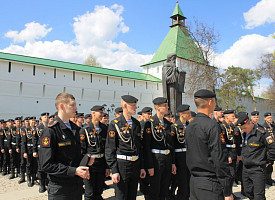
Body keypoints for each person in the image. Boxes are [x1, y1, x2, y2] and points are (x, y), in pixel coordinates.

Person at [39, 93, 92, 200]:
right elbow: (46, 164)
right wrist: (74, 171)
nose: (76, 108)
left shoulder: (75, 129)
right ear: (62, 106)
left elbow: (73, 156)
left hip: (76, 185)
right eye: (72, 105)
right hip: (60, 188)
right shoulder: (51, 130)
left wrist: (86, 159)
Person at [185, 89, 233, 200]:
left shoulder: (190, 126)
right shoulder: (212, 126)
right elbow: (219, 158)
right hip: (210, 184)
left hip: (194, 182)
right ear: (210, 102)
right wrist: (227, 189)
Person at [105, 95, 146, 200]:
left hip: (135, 164)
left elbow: (139, 147)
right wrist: (114, 170)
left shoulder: (136, 123)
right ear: (124, 105)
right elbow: (110, 149)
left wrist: (141, 166)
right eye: (133, 105)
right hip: (122, 164)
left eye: (136, 105)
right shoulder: (115, 124)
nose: (135, 108)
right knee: (121, 196)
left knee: (132, 195)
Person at [143, 97, 176, 200]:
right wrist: (149, 166)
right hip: (156, 159)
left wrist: (172, 162)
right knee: (154, 190)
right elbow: (146, 146)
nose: (167, 107)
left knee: (164, 189)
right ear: (157, 107)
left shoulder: (168, 124)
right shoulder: (150, 123)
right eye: (165, 105)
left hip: (167, 159)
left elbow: (171, 145)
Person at [237, 113, 275, 199]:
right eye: (242, 128)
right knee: (247, 191)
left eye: (245, 128)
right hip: (246, 168)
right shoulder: (245, 134)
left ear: (250, 123)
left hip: (258, 169)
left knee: (259, 195)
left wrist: (268, 161)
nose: (244, 130)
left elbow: (273, 148)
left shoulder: (261, 133)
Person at [80, 105, 110, 200]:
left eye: (102, 112)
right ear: (93, 113)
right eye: (100, 113)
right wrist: (85, 165)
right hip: (90, 163)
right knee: (89, 192)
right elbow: (82, 150)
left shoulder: (105, 129)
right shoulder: (85, 129)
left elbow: (107, 149)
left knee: (99, 190)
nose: (102, 114)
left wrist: (107, 167)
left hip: (101, 162)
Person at [170, 104, 191, 200]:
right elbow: (172, 146)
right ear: (181, 114)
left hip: (188, 156)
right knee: (181, 181)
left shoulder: (189, 126)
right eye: (187, 113)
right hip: (179, 157)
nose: (189, 114)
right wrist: (173, 162)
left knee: (189, 180)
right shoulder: (174, 127)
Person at [220, 110, 238, 188]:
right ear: (226, 116)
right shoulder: (222, 127)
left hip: (233, 152)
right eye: (232, 116)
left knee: (232, 173)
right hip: (227, 153)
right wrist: (227, 155)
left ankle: (230, 193)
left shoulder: (232, 127)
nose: (234, 117)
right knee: (229, 174)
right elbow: (222, 143)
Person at [21, 116, 38, 187]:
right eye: (32, 121)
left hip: (35, 149)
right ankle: (29, 179)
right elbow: (23, 142)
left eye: (34, 121)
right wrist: (24, 152)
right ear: (29, 122)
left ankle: (34, 179)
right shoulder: (26, 130)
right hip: (28, 149)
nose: (33, 122)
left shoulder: (36, 130)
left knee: (35, 164)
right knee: (28, 164)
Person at [35, 112, 49, 193]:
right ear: (41, 119)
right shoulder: (38, 128)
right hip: (40, 150)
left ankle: (47, 183)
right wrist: (34, 151)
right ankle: (41, 185)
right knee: (40, 168)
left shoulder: (50, 126)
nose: (46, 118)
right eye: (45, 117)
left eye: (47, 117)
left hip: (48, 150)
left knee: (47, 167)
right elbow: (35, 140)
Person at [262, 112, 275, 186]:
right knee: (268, 163)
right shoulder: (264, 126)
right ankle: (266, 179)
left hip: (273, 147)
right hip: (268, 147)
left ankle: (269, 178)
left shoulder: (272, 126)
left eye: (270, 118)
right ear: (265, 118)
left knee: (271, 164)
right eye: (268, 118)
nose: (270, 119)